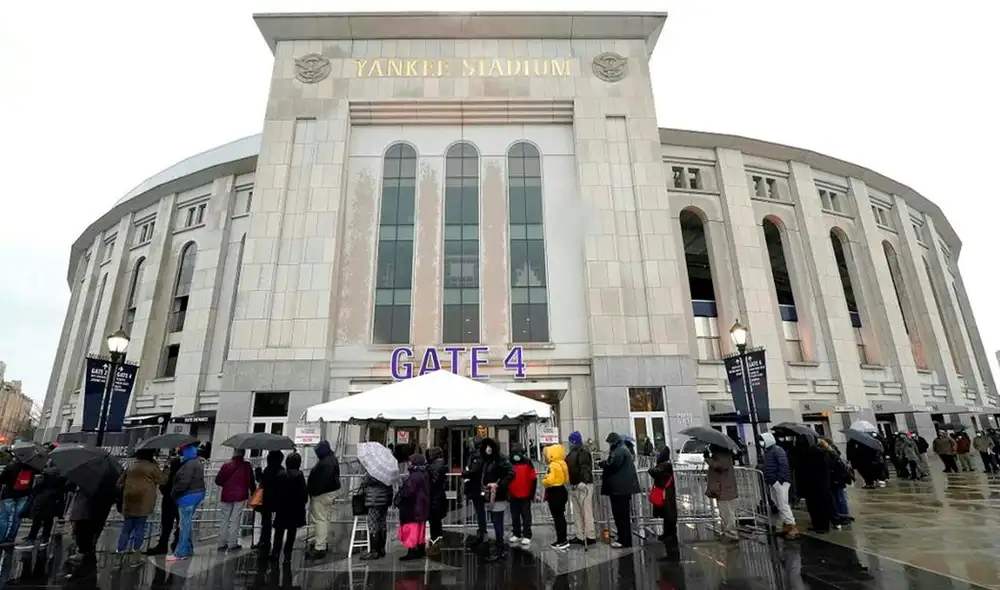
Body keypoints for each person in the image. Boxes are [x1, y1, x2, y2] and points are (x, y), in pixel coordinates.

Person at [64, 468, 118, 580]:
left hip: (87, 511)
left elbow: (69, 485)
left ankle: (84, 557)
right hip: (98, 511)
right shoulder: (111, 476)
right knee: (92, 534)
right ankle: (88, 557)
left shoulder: (86, 473)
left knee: (83, 533)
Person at [116, 449, 164, 553]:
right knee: (140, 526)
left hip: (129, 500)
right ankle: (136, 549)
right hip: (144, 501)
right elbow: (162, 480)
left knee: (126, 528)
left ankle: (120, 549)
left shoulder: (131, 467)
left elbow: (119, 483)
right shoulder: (152, 468)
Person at [600, 432, 640, 548]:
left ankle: (624, 540)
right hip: (623, 488)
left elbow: (613, 465)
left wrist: (603, 464)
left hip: (619, 489)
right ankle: (624, 538)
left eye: (609, 442)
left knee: (620, 515)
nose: (609, 444)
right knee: (623, 515)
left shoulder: (619, 451)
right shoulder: (622, 449)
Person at [168, 443, 207, 562]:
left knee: (184, 525)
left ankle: (180, 552)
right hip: (196, 494)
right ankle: (188, 548)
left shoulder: (189, 464)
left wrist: (174, 493)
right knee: (187, 523)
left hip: (187, 497)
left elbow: (184, 482)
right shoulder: (196, 462)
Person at [478, 437, 514, 562]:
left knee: (498, 521)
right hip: (489, 495)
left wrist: (499, 485)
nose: (488, 449)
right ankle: (499, 547)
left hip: (498, 495)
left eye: (490, 446)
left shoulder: (501, 460)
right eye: (486, 446)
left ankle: (500, 549)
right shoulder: (487, 460)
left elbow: (511, 473)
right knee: (495, 520)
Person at [17, 459, 66, 549]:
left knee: (37, 519)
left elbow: (38, 487)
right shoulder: (63, 474)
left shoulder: (45, 473)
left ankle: (32, 537)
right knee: (49, 519)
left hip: (42, 498)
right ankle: (45, 537)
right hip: (55, 499)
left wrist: (34, 490)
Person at [215, 448, 256, 551]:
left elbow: (218, 481)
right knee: (235, 519)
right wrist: (253, 492)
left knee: (224, 519)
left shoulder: (226, 465)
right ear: (243, 454)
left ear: (234, 453)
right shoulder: (246, 466)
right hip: (240, 496)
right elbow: (250, 482)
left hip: (226, 495)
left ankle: (221, 543)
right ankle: (232, 544)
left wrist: (227, 485)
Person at [306, 439, 341, 559]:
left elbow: (322, 481)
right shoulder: (331, 459)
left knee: (320, 520)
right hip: (328, 493)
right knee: (324, 519)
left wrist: (313, 492)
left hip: (321, 494)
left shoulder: (325, 463)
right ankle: (322, 543)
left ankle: (320, 547)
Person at [761, 433, 798, 539]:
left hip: (780, 482)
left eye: (762, 440)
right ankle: (787, 524)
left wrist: (779, 479)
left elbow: (783, 465)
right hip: (773, 481)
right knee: (778, 503)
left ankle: (792, 526)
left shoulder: (777, 450)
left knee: (783, 504)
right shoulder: (768, 451)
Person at [270, 452, 306, 562]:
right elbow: (303, 494)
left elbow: (274, 492)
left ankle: (275, 552)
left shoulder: (280, 475)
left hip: (282, 508)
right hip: (295, 509)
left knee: (279, 532)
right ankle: (287, 553)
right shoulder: (300, 476)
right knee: (292, 531)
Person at [147, 451, 183, 555]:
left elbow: (163, 486)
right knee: (180, 523)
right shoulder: (184, 473)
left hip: (168, 499)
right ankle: (176, 543)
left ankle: (163, 545)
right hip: (181, 499)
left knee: (166, 525)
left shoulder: (169, 474)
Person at [397, 453, 431, 561]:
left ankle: (412, 551)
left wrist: (402, 490)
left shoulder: (414, 476)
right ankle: (420, 549)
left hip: (413, 507)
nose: (409, 463)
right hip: (421, 507)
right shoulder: (424, 474)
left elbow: (409, 492)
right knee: (419, 530)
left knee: (412, 530)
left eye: (410, 461)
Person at [359, 457, 394, 561]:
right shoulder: (388, 470)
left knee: (373, 523)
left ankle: (374, 551)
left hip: (375, 500)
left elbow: (366, 481)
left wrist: (365, 477)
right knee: (382, 522)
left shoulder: (373, 470)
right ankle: (381, 549)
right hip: (385, 499)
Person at [565, 431, 596, 546]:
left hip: (583, 485)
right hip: (575, 485)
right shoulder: (573, 453)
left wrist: (584, 481)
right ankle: (580, 535)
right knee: (578, 512)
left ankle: (590, 535)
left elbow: (585, 467)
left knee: (586, 511)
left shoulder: (582, 453)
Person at [798, 439, 835, 533]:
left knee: (815, 507)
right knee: (820, 506)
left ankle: (819, 525)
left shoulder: (809, 454)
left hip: (814, 485)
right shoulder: (821, 453)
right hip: (820, 484)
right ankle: (821, 526)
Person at [704, 444, 739, 541]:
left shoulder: (723, 456)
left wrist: (708, 459)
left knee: (727, 513)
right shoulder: (720, 455)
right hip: (722, 489)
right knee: (724, 512)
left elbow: (719, 465)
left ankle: (731, 533)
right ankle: (727, 532)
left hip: (725, 489)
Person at [0, 458, 37, 544]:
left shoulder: (10, 467)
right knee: (17, 517)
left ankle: (1, 538)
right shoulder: (31, 469)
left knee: (4, 517)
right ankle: (11, 538)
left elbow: (1, 480)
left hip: (9, 495)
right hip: (24, 495)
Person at [507, 443, 536, 547]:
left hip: (525, 495)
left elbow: (533, 478)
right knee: (515, 516)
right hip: (513, 495)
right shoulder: (509, 462)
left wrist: (532, 494)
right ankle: (517, 533)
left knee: (526, 516)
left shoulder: (528, 462)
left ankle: (527, 535)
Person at [254, 450, 284, 551]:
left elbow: (261, 481)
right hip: (279, 499)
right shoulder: (282, 470)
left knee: (266, 520)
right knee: (279, 522)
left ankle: (265, 540)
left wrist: (258, 472)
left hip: (267, 499)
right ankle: (276, 543)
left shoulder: (268, 470)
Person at [542, 443, 570, 551]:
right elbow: (566, 478)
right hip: (562, 490)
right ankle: (563, 539)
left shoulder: (553, 465)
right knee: (561, 517)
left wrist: (544, 481)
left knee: (557, 518)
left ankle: (561, 540)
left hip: (554, 492)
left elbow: (549, 480)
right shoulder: (562, 463)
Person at [462, 436, 488, 547]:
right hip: (476, 486)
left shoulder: (477, 455)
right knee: (479, 510)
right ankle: (482, 531)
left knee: (480, 511)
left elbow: (474, 470)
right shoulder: (478, 454)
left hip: (477, 487)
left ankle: (482, 532)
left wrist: (465, 473)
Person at [647, 447, 678, 541]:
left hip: (666, 493)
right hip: (666, 492)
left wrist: (651, 468)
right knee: (667, 514)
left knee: (668, 513)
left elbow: (654, 472)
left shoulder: (665, 465)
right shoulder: (666, 465)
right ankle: (668, 533)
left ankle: (670, 534)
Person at [425, 447, 448, 547]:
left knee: (434, 521)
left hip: (434, 498)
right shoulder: (437, 465)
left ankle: (435, 541)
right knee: (436, 521)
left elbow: (434, 483)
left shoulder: (434, 467)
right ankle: (437, 539)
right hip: (437, 497)